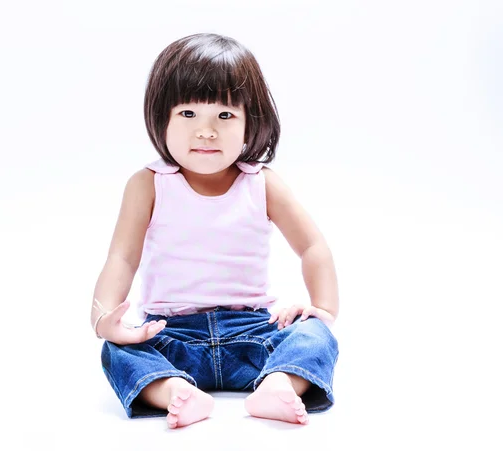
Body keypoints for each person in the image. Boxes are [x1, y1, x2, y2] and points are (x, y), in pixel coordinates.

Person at [91, 32, 339, 429]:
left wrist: (323, 308)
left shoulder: (261, 182)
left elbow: (312, 245)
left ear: (249, 122)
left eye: (224, 116)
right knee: (117, 349)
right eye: (188, 114)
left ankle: (277, 383)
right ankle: (174, 390)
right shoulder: (149, 183)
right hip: (171, 334)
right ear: (162, 118)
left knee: (316, 336)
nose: (206, 131)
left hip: (254, 331)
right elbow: (122, 257)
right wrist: (105, 317)